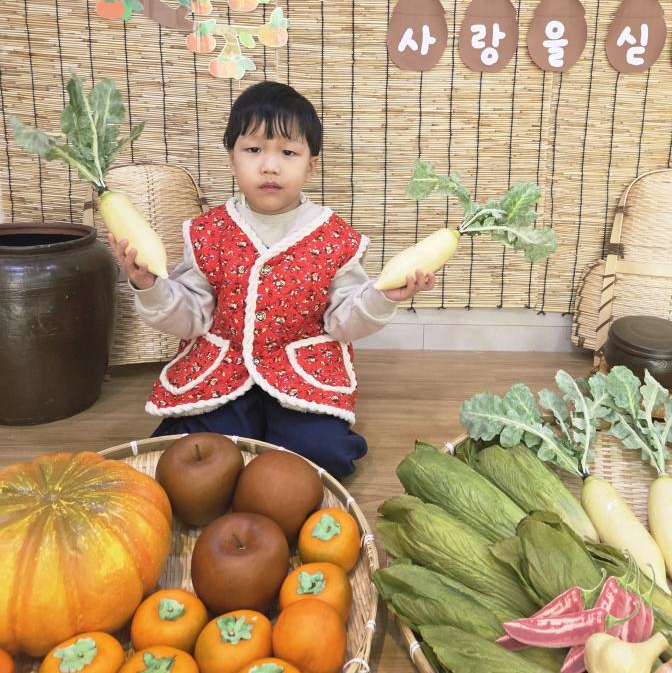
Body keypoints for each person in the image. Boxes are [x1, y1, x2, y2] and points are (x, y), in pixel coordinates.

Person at [109, 80, 435, 478]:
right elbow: (190, 318)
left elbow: (343, 322)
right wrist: (151, 287)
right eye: (253, 150)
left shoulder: (335, 238)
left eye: (288, 152)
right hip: (223, 368)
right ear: (232, 159)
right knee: (193, 450)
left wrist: (384, 298)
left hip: (303, 371)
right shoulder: (208, 232)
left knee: (321, 455)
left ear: (311, 165)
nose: (269, 165)